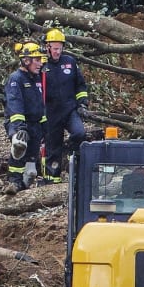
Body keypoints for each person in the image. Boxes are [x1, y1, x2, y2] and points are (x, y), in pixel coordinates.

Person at [41, 27, 88, 184]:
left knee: (79, 133)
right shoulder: (41, 66)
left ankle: (71, 158)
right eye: (54, 49)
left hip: (69, 110)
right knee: (53, 147)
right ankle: (52, 180)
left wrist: (82, 103)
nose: (57, 52)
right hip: (50, 113)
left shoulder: (70, 62)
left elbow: (80, 85)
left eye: (60, 49)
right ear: (47, 47)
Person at [2, 41, 47, 195]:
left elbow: (39, 103)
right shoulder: (16, 79)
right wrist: (20, 127)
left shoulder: (36, 78)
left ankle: (25, 185)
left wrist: (43, 124)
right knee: (20, 145)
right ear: (26, 61)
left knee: (32, 160)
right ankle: (13, 182)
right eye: (37, 60)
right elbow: (15, 103)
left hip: (35, 123)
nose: (40, 63)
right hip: (18, 122)